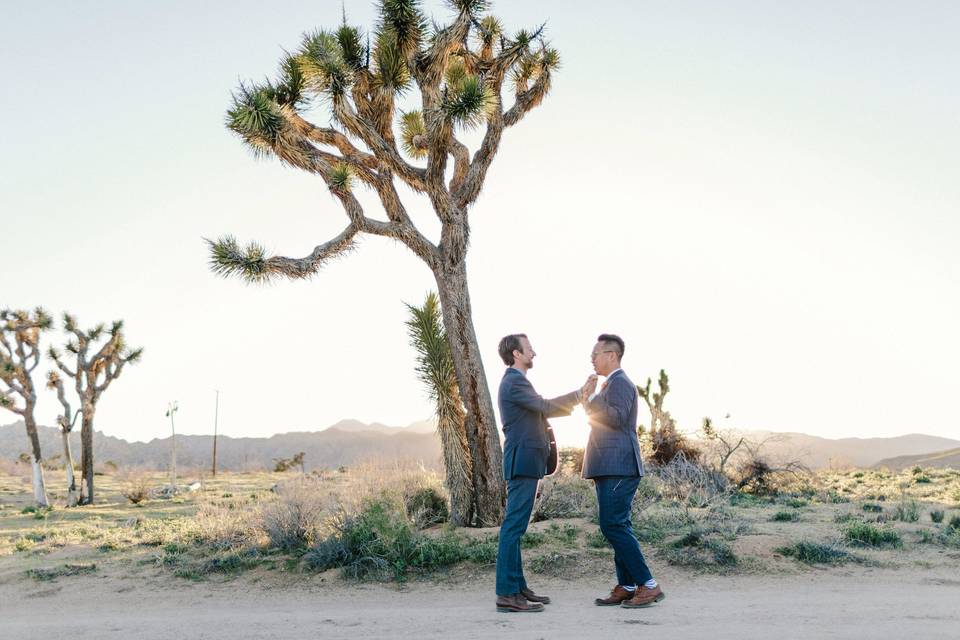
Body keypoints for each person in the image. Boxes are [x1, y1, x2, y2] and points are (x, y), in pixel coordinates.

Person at [495, 333, 587, 613]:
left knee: (516, 527)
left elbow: (542, 411)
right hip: (522, 463)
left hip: (526, 462)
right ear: (516, 354)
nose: (534, 353)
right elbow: (545, 407)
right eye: (529, 349)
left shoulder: (517, 382)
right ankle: (507, 594)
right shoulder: (514, 382)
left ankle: (518, 587)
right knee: (512, 528)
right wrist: (580, 395)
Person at [581, 333, 665, 608]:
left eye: (596, 353)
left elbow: (615, 418)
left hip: (619, 466)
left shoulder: (619, 383)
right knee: (618, 525)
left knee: (613, 525)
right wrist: (590, 399)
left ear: (612, 355)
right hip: (610, 466)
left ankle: (648, 585)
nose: (592, 358)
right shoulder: (611, 384)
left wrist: (592, 397)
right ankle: (629, 585)